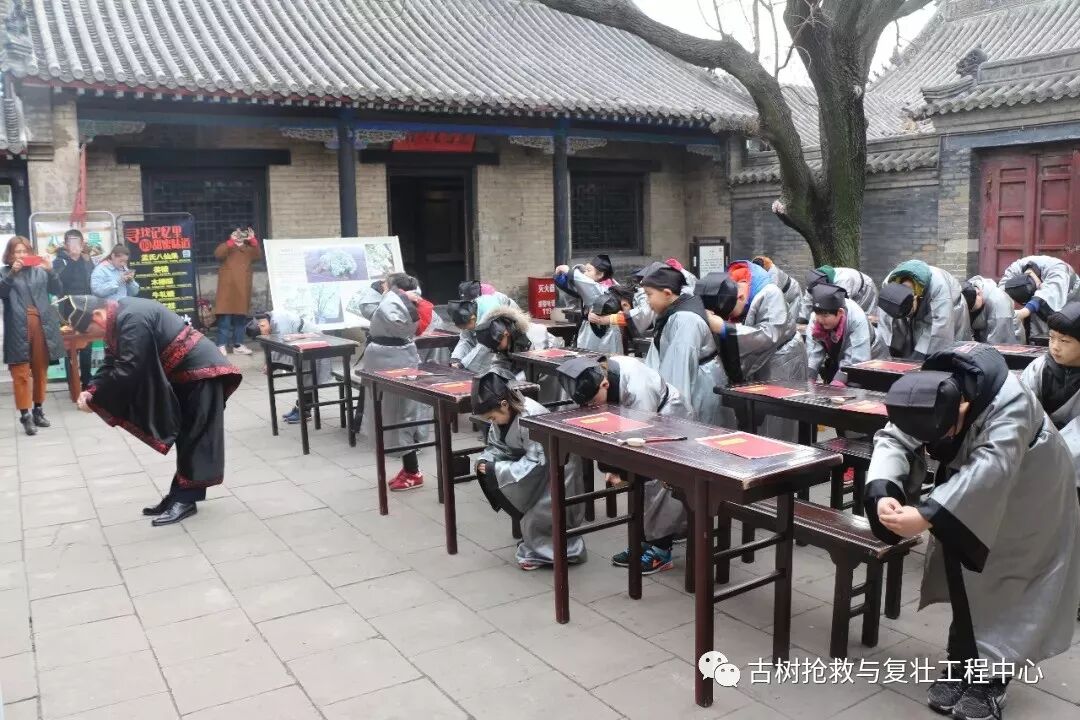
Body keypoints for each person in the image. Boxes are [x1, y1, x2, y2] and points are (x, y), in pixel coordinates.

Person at [864, 345, 1080, 720]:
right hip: (967, 492)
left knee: (1012, 585)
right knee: (962, 571)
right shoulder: (930, 389)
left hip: (1033, 495)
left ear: (963, 407)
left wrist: (927, 514)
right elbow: (895, 438)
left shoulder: (1010, 404)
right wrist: (885, 490)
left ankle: (992, 679)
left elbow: (992, 468)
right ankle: (961, 661)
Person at [67, 295, 242, 525]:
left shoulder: (131, 318)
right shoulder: (121, 317)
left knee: (195, 436)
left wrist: (96, 401)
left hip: (202, 371)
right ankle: (179, 495)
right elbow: (113, 362)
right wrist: (92, 390)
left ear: (98, 316)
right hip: (185, 374)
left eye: (89, 331)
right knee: (187, 436)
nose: (92, 337)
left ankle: (186, 499)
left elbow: (130, 368)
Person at [556, 355, 688, 574]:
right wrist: (612, 468)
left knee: (655, 479)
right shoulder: (599, 373)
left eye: (592, 402)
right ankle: (644, 540)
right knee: (640, 483)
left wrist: (620, 471)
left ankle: (661, 550)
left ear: (605, 385)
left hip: (669, 421)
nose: (591, 407)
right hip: (639, 425)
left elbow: (640, 439)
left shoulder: (637, 387)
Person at [473, 368, 586, 571]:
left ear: (504, 404)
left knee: (542, 509)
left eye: (492, 418)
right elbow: (497, 446)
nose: (492, 422)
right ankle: (537, 548)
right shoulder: (505, 414)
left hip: (557, 468)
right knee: (525, 501)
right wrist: (487, 461)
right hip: (537, 468)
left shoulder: (530, 415)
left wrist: (497, 468)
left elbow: (537, 462)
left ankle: (563, 551)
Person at [359, 273, 431, 491]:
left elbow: (370, 308)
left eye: (385, 285)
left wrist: (394, 294)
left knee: (400, 414)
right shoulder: (397, 303)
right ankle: (408, 468)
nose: (382, 288)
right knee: (389, 413)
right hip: (387, 356)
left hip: (393, 359)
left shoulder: (395, 303)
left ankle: (413, 471)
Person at [723, 260, 807, 440]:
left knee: (778, 417)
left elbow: (769, 334)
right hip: (761, 357)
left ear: (740, 296)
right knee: (759, 415)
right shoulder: (738, 289)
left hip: (783, 358)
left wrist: (725, 329)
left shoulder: (770, 293)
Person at [640, 264, 722, 424]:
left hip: (698, 382)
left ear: (667, 293)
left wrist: (671, 411)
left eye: (649, 295)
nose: (647, 301)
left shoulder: (685, 319)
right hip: (693, 376)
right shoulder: (674, 310)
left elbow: (679, 370)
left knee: (698, 428)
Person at [0, 237, 65, 436]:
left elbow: (58, 290)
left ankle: (38, 410)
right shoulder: (4, 272)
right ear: (10, 255)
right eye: (17, 252)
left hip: (42, 325)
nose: (21, 255)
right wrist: (12, 273)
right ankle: (25, 415)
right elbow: (2, 293)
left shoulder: (40, 271)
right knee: (20, 373)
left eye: (24, 251)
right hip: (17, 327)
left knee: (40, 370)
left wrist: (50, 270)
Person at [247, 310, 332, 425]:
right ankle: (300, 407)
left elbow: (282, 345)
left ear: (262, 324)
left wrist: (271, 364)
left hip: (314, 342)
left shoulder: (279, 322)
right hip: (303, 342)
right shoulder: (270, 319)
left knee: (307, 377)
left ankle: (304, 411)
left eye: (263, 332)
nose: (266, 334)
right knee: (304, 376)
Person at [877, 260, 971, 360]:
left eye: (908, 314)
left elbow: (939, 328)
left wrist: (919, 358)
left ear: (915, 298)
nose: (907, 318)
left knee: (943, 350)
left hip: (950, 305)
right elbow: (885, 323)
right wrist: (884, 352)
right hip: (923, 300)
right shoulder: (888, 284)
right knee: (905, 344)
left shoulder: (939, 287)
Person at [470, 304, 565, 401]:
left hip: (548, 366)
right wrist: (492, 379)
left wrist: (509, 384)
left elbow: (534, 369)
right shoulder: (505, 340)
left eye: (496, 345)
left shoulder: (534, 336)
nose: (495, 349)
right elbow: (500, 364)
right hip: (528, 367)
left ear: (505, 333)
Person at [805, 283, 884, 385]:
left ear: (840, 312)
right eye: (817, 314)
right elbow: (812, 352)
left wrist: (838, 383)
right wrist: (809, 378)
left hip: (870, 356)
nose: (820, 319)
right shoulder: (815, 318)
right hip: (838, 354)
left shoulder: (857, 318)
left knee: (857, 386)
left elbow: (857, 361)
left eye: (825, 315)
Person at [52, 229, 96, 386]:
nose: (75, 245)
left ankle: (86, 381)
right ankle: (73, 383)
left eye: (78, 241)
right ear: (65, 244)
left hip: (86, 308)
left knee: (86, 347)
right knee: (70, 348)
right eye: (71, 242)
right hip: (67, 310)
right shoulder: (59, 261)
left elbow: (91, 281)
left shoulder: (87, 260)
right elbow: (60, 283)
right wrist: (72, 259)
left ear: (82, 243)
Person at [999, 255, 1080, 338]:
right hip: (1039, 298)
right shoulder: (1016, 267)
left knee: (1063, 328)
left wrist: (1020, 314)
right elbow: (1001, 290)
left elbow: (1044, 296)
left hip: (1070, 296)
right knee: (1037, 333)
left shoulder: (1058, 271)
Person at [554, 254, 621, 349]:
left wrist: (567, 270)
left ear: (600, 275)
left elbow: (583, 281)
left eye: (588, 270)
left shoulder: (601, 288)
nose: (585, 274)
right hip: (594, 329)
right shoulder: (605, 285)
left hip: (604, 332)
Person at [214, 227, 261, 356]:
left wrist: (253, 240)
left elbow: (258, 255)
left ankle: (238, 345)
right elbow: (218, 254)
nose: (239, 236)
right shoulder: (227, 247)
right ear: (231, 235)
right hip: (227, 290)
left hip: (242, 289)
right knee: (225, 320)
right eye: (236, 233)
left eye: (242, 234)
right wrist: (231, 242)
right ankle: (221, 345)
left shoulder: (248, 249)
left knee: (240, 319)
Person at [799, 265, 878, 326]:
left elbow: (844, 304)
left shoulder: (843, 281)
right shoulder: (814, 282)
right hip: (847, 286)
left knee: (863, 317)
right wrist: (802, 318)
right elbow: (807, 301)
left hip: (865, 289)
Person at [961, 276, 1025, 345]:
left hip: (1008, 339)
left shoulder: (999, 303)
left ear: (978, 293)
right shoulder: (966, 290)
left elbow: (999, 343)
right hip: (983, 338)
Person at [752, 256, 801, 322]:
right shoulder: (762, 270)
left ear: (763, 267)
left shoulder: (773, 273)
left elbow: (771, 294)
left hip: (792, 290)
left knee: (791, 318)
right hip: (782, 291)